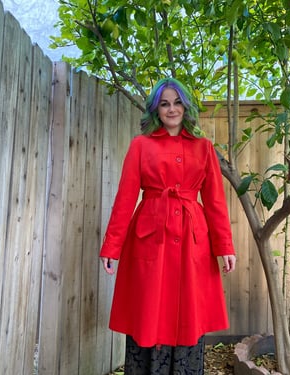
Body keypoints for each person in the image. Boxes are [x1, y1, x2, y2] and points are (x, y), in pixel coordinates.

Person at [99, 77, 236, 374]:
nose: (171, 109)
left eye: (177, 103)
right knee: (148, 311)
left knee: (189, 312)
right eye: (164, 103)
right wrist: (112, 246)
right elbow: (125, 198)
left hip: (192, 241)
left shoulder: (204, 147)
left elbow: (215, 202)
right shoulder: (141, 146)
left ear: (186, 108)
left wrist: (224, 247)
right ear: (156, 110)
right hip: (149, 238)